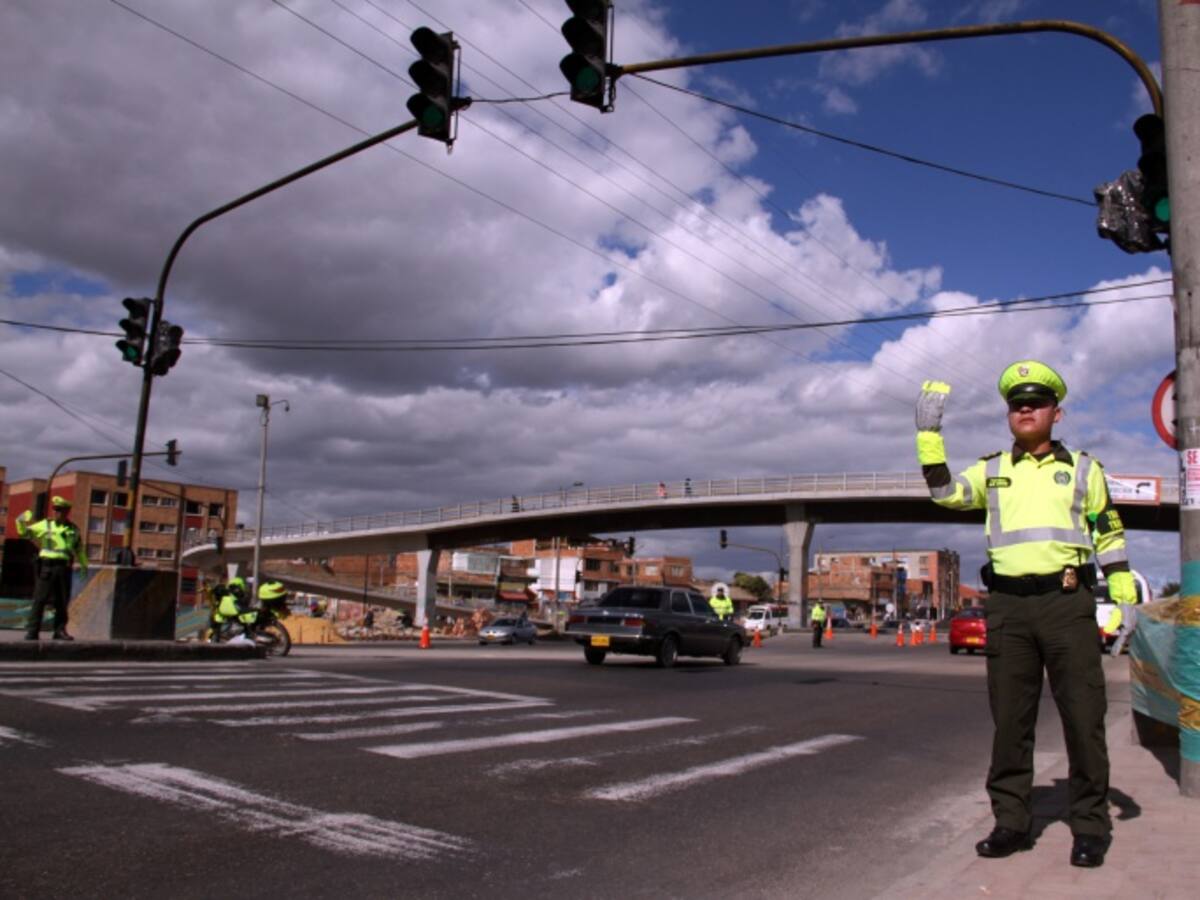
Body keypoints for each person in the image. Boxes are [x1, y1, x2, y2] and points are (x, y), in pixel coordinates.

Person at [916, 361, 1136, 869]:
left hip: (1067, 605)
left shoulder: (1083, 468)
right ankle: (1011, 823)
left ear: (1057, 413)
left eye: (1035, 403)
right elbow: (945, 494)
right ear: (1009, 415)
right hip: (1009, 609)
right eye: (1017, 404)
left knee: (1084, 719)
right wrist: (929, 437)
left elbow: (1108, 530)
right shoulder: (991, 469)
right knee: (1010, 723)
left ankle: (1089, 825)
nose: (1025, 410)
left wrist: (1122, 588)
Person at [16, 495, 88, 640]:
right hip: (47, 567)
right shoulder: (46, 525)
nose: (56, 513)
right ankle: (33, 631)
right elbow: (24, 533)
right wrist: (20, 521)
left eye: (60, 510)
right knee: (40, 599)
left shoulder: (73, 529)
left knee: (62, 600)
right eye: (55, 510)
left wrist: (84, 565)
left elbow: (79, 549)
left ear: (67, 512)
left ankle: (59, 631)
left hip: (63, 568)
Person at [211, 576, 256, 643]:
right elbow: (243, 604)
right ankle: (248, 635)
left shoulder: (224, 597)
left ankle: (216, 638)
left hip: (222, 619)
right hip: (235, 616)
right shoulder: (234, 596)